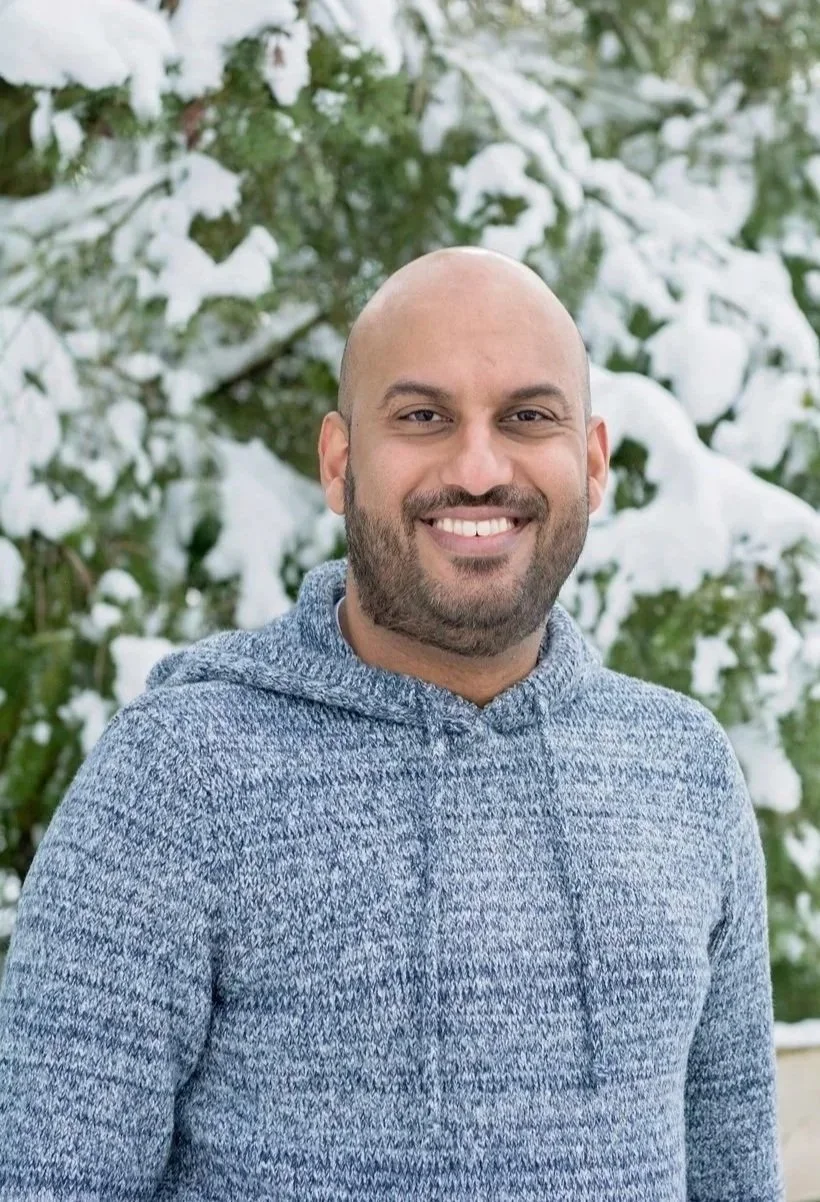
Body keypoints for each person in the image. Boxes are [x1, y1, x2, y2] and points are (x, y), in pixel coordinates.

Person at [0, 247, 784, 1201]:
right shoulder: (178, 776)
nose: (479, 468)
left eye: (527, 417)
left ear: (591, 462)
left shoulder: (683, 772)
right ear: (341, 464)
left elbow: (736, 1180)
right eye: (422, 417)